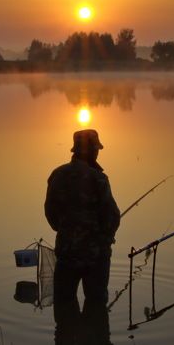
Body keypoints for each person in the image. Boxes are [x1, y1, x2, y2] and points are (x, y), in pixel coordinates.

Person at [44, 129, 120, 303]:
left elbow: (50, 213)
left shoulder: (57, 175)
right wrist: (106, 238)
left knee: (64, 304)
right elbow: (112, 217)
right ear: (90, 150)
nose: (98, 152)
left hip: (66, 253)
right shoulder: (98, 179)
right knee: (96, 303)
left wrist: (66, 230)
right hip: (96, 257)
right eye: (96, 149)